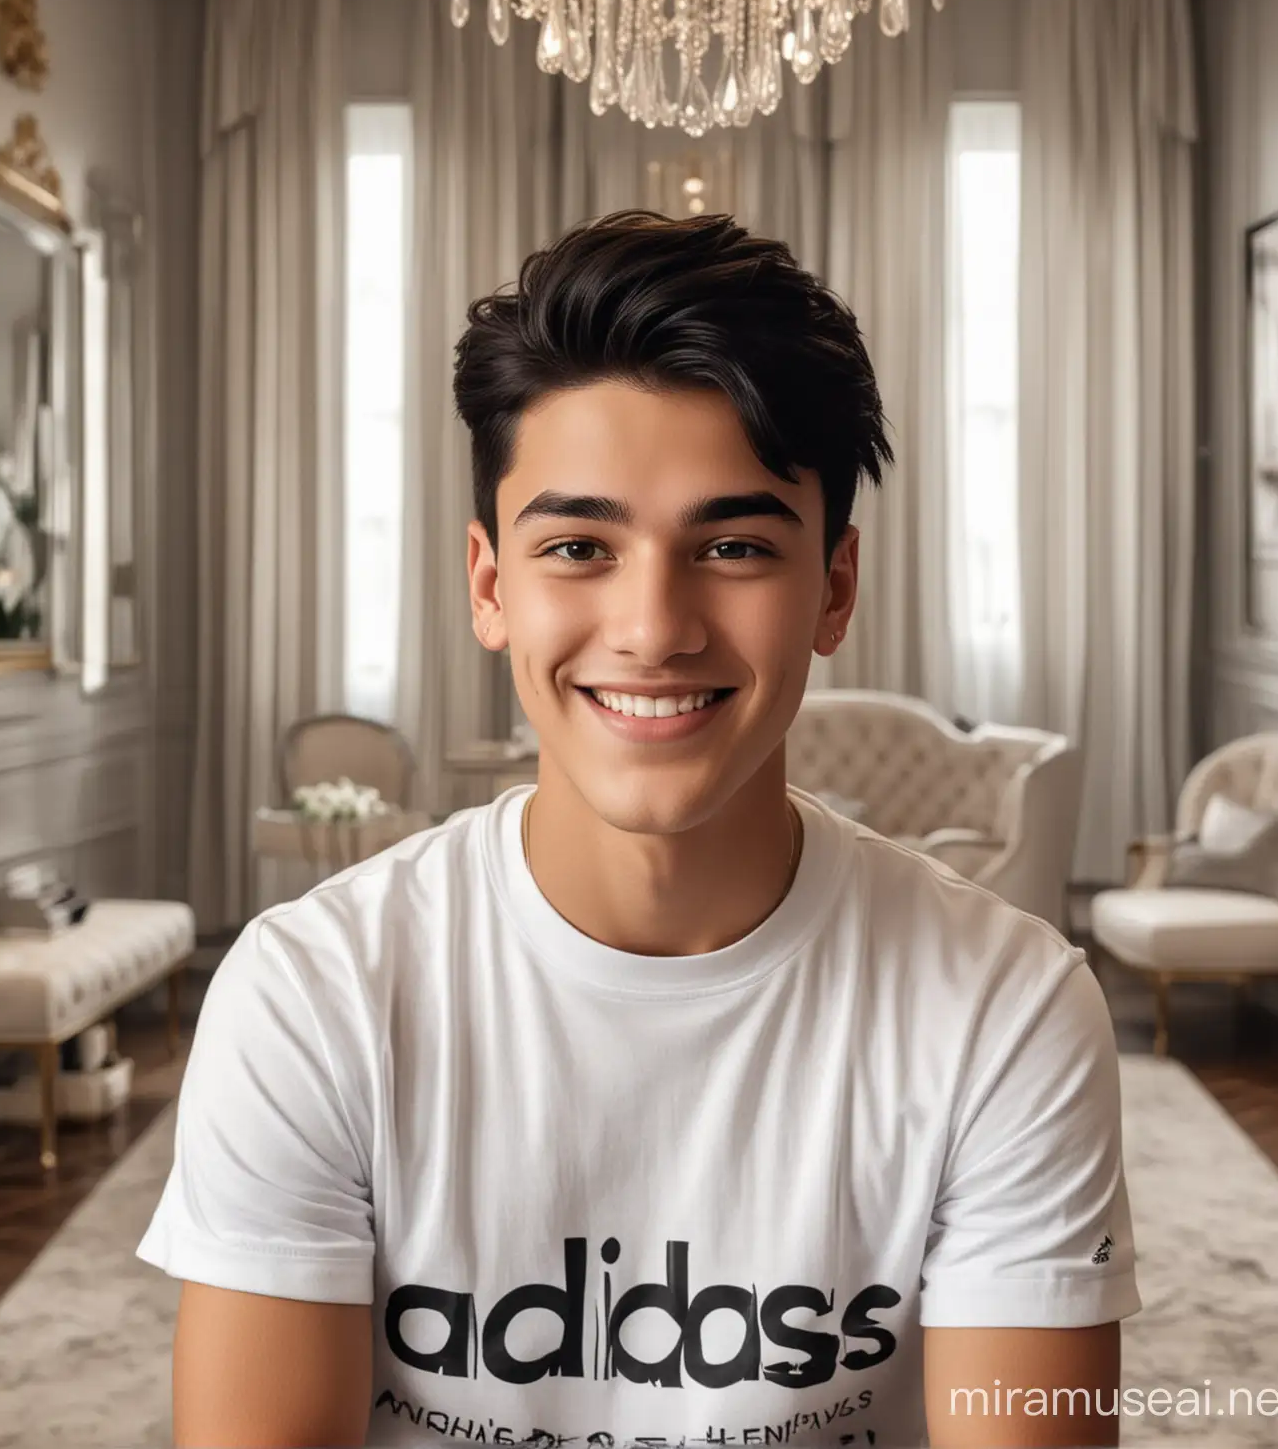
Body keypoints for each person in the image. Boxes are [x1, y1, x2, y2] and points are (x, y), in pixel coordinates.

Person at [139, 210, 1139, 1448]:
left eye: (731, 545)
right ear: (490, 584)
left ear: (834, 587)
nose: (653, 626)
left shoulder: (1006, 1010)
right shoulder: (314, 995)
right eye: (578, 547)